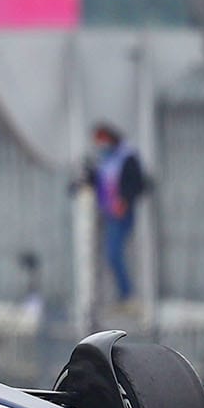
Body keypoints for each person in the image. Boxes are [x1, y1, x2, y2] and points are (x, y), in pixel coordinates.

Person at [85, 121, 145, 307]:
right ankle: (120, 295)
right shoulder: (106, 160)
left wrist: (124, 200)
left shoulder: (127, 157)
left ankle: (127, 294)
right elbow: (101, 181)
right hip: (108, 212)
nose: (100, 145)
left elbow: (137, 183)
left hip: (121, 213)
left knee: (114, 254)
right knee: (108, 255)